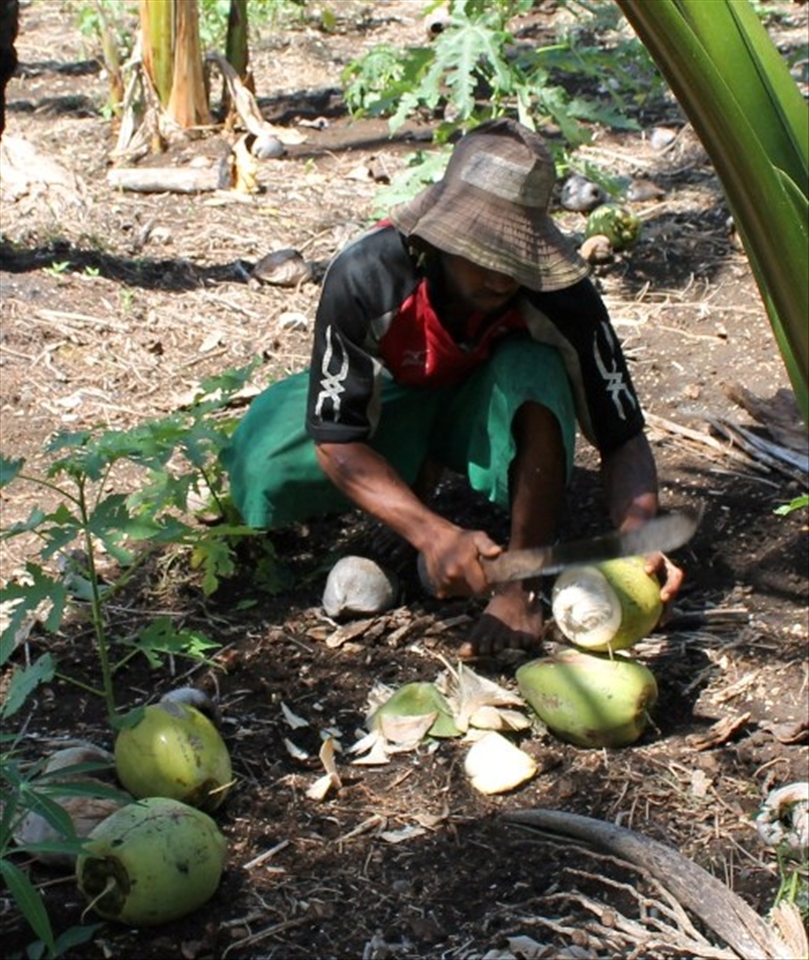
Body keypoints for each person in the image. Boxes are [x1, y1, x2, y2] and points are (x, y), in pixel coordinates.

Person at [222, 118, 683, 657]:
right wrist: (432, 533)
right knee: (263, 462)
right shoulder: (367, 274)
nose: (500, 278)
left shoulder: (563, 296)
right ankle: (415, 478)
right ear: (438, 238)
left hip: (484, 405)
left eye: (515, 259)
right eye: (483, 255)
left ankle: (521, 586)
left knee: (533, 369)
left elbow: (622, 434)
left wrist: (638, 534)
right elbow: (337, 437)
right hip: (392, 397)